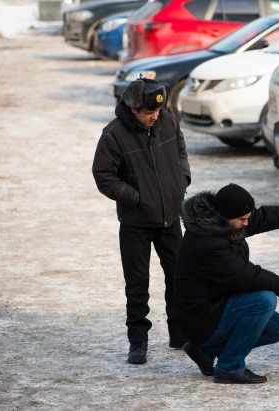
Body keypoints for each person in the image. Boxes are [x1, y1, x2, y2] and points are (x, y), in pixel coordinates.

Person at [174, 184, 279, 384]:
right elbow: (249, 276)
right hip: (198, 318)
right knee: (263, 300)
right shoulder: (208, 243)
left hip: (216, 304)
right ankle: (229, 367)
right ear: (226, 215)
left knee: (275, 328)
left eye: (247, 217)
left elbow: (262, 217)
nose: (247, 223)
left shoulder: (221, 222)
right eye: (243, 219)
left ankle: (205, 350)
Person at [92, 77, 191, 364]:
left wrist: (182, 180)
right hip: (135, 223)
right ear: (133, 108)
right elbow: (104, 176)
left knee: (179, 279)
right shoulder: (113, 135)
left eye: (158, 111)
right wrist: (137, 197)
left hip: (171, 219)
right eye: (149, 112)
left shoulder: (167, 122)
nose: (155, 116)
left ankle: (179, 334)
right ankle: (138, 343)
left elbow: (181, 152)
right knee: (137, 286)